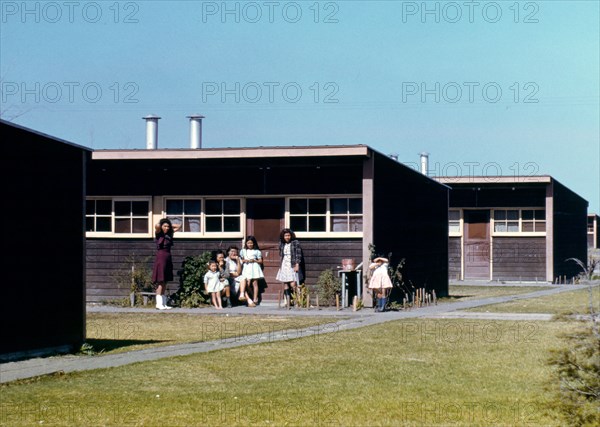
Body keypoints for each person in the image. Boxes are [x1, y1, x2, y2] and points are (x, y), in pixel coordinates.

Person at [152, 218, 181, 310]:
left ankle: (164, 304)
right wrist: (162, 225)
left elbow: (179, 226)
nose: (167, 228)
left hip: (168, 256)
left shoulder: (169, 234)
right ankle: (158, 304)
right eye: (165, 226)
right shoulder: (159, 233)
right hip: (161, 257)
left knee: (165, 280)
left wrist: (168, 225)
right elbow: (156, 226)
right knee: (160, 280)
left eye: (168, 226)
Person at [276, 228, 305, 307]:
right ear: (283, 236)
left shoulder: (295, 243)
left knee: (293, 283)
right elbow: (281, 254)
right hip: (284, 263)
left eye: (288, 235)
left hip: (292, 263)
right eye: (286, 235)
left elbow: (298, 254)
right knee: (285, 283)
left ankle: (297, 300)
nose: (287, 237)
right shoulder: (282, 243)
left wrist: (297, 264)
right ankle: (287, 301)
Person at [239, 236, 263, 307]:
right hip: (246, 267)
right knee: (247, 284)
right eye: (248, 243)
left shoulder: (257, 251)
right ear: (246, 243)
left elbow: (260, 261)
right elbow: (241, 260)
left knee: (255, 283)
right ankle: (250, 297)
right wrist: (244, 260)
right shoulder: (243, 251)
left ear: (254, 243)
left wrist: (254, 260)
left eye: (251, 243)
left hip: (254, 267)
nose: (250, 245)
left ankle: (255, 299)